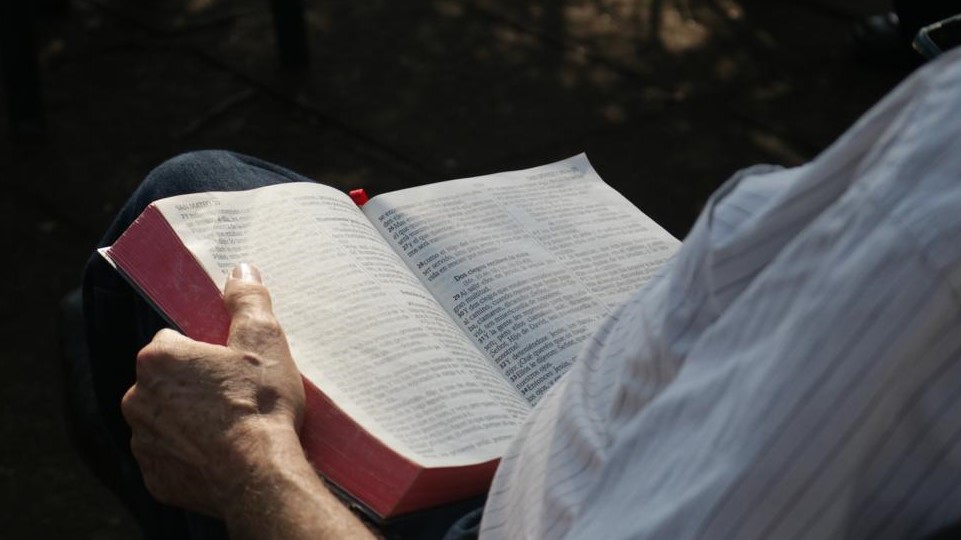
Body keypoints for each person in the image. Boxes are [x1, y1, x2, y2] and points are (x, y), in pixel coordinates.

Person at [82, 46, 961, 539]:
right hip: (581, 431)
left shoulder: (931, 231)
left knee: (178, 232)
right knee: (209, 183)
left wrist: (250, 464)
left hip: (507, 518)